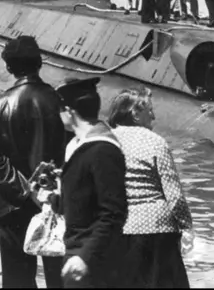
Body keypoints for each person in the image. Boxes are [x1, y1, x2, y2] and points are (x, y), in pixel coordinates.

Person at [0, 36, 67, 288]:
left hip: (12, 204)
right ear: (40, 63)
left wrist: (26, 190)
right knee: (60, 278)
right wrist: (43, 191)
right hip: (56, 200)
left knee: (17, 278)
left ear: (8, 67)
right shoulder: (61, 103)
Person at [108, 87, 192, 288]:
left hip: (119, 228)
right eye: (150, 111)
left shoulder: (105, 141)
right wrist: (186, 226)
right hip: (158, 229)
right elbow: (174, 195)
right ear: (135, 114)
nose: (154, 116)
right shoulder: (155, 142)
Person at [55, 78, 128, 288]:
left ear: (69, 111)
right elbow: (81, 203)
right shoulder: (79, 146)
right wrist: (53, 199)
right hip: (78, 253)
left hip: (94, 262)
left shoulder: (102, 150)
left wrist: (85, 257)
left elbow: (114, 213)